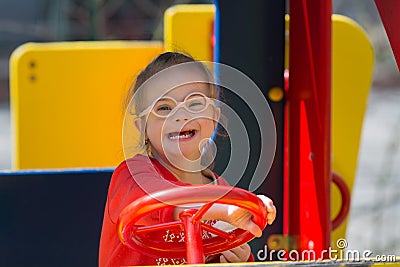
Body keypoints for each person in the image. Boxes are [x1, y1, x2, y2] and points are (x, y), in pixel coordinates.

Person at [99, 52, 276, 266]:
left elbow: (226, 244)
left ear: (214, 118)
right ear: (142, 128)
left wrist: (236, 258)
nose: (181, 116)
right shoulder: (133, 176)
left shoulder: (222, 190)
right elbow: (163, 202)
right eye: (164, 108)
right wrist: (226, 211)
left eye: (194, 104)